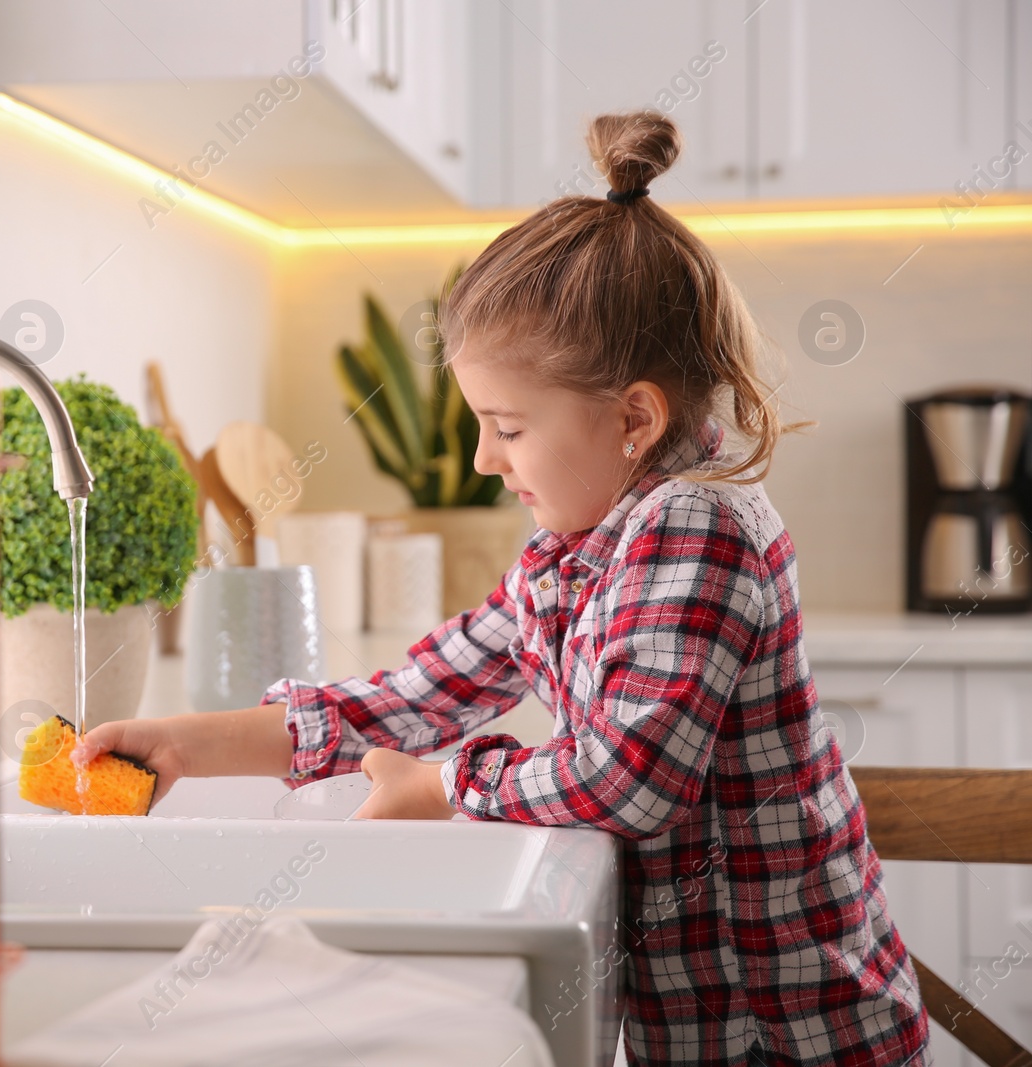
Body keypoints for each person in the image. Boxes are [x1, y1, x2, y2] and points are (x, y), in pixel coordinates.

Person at [74, 110, 931, 1067]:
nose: (484, 456)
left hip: (791, 1035)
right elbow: (412, 697)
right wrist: (185, 745)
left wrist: (447, 786)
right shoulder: (571, 550)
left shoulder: (698, 525)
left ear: (632, 419)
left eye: (509, 426)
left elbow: (625, 781)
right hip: (700, 1027)